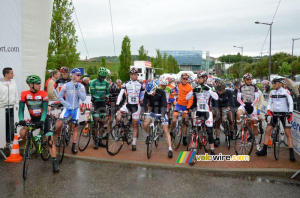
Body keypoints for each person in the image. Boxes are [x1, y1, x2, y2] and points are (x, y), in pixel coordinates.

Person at [19, 75, 59, 172]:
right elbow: (21, 109)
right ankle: (31, 145)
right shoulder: (24, 94)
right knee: (22, 132)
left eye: (40, 83)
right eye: (37, 83)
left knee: (50, 140)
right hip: (33, 118)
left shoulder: (43, 93)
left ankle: (54, 161)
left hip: (44, 118)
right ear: (31, 85)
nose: (40, 85)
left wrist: (41, 121)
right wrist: (21, 119)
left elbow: (45, 109)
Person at [256, 77, 295, 161]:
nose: (274, 84)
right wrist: (269, 110)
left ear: (281, 83)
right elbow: (269, 103)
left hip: (284, 114)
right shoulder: (272, 92)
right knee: (267, 130)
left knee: (288, 133)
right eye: (273, 83)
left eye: (276, 83)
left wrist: (290, 112)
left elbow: (291, 102)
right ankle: (264, 150)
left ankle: (291, 153)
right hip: (275, 113)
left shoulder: (286, 91)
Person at [186, 71, 219, 155]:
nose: (198, 79)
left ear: (205, 78)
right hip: (198, 112)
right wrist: (193, 91)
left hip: (207, 112)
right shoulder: (196, 88)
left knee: (209, 131)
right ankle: (193, 147)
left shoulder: (210, 87)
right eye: (198, 78)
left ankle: (212, 149)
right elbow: (187, 98)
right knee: (195, 129)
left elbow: (216, 97)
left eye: (200, 78)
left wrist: (209, 90)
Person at [57, 68, 86, 154]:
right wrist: (65, 103)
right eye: (77, 75)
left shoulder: (81, 86)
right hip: (67, 108)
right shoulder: (66, 85)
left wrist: (77, 89)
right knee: (59, 125)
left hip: (76, 109)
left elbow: (83, 98)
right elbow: (60, 96)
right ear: (72, 75)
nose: (79, 76)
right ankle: (59, 138)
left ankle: (73, 145)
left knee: (75, 127)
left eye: (80, 75)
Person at [116, 67, 145, 151]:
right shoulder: (126, 83)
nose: (133, 76)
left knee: (135, 123)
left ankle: (134, 143)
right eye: (131, 74)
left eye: (135, 74)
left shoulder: (141, 84)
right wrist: (118, 104)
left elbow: (143, 95)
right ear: (130, 75)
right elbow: (121, 94)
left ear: (137, 75)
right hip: (127, 105)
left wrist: (142, 104)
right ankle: (121, 129)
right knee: (118, 116)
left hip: (136, 106)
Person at [142, 81, 173, 158]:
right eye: (149, 93)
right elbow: (144, 102)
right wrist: (143, 113)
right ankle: (148, 135)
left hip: (161, 111)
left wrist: (162, 115)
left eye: (152, 92)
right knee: (145, 124)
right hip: (153, 111)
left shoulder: (161, 92)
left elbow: (164, 104)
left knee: (165, 130)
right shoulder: (147, 92)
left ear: (155, 88)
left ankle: (170, 149)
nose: (151, 94)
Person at [236, 73, 261, 151]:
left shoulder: (255, 87)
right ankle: (239, 131)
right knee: (238, 113)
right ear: (244, 80)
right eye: (247, 79)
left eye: (250, 79)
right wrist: (243, 104)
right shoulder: (241, 87)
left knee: (255, 124)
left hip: (252, 106)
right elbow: (238, 98)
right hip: (243, 105)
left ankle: (257, 144)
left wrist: (252, 105)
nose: (249, 81)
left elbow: (257, 99)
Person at [170, 73, 193, 146]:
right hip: (178, 105)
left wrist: (188, 108)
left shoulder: (190, 88)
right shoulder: (178, 86)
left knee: (184, 123)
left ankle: (184, 138)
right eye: (184, 79)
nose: (185, 80)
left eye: (186, 79)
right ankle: (171, 132)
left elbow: (191, 100)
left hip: (185, 106)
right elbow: (175, 94)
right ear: (181, 79)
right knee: (174, 119)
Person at [89, 67, 110, 149]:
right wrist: (102, 97)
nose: (102, 79)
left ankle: (100, 140)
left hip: (102, 104)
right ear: (98, 75)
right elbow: (93, 95)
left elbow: (108, 93)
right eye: (101, 77)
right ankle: (96, 141)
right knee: (96, 122)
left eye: (104, 77)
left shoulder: (106, 83)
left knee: (102, 123)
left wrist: (106, 97)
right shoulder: (93, 82)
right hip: (95, 103)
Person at [0, 67, 19, 144]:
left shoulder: (13, 82)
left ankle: (10, 141)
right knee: (3, 125)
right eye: (11, 73)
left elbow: (16, 93)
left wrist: (16, 103)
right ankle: (2, 141)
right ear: (6, 74)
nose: (13, 75)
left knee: (11, 125)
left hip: (12, 107)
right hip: (2, 108)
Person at [214, 81, 235, 146]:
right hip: (219, 107)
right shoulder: (216, 93)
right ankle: (217, 138)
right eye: (218, 91)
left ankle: (231, 131)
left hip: (227, 106)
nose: (219, 92)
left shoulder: (229, 92)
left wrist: (231, 108)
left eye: (220, 91)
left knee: (230, 117)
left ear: (224, 89)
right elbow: (216, 103)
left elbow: (232, 101)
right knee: (218, 122)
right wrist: (217, 111)